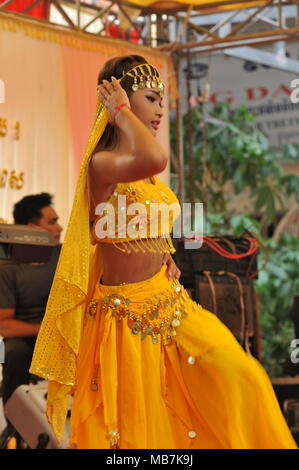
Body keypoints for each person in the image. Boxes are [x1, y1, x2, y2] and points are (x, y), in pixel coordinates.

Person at [30, 56, 298, 449]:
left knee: (241, 375)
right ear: (119, 98)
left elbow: (137, 221)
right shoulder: (103, 165)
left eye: (162, 102)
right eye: (152, 98)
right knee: (147, 430)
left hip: (171, 303)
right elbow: (154, 156)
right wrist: (118, 110)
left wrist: (161, 251)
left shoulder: (146, 172)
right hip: (127, 318)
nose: (159, 111)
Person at [0, 193, 62, 410]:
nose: (59, 228)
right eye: (52, 222)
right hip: (29, 337)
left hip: (66, 334)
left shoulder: (65, 257)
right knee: (14, 352)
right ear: (31, 228)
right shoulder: (7, 268)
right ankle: (16, 422)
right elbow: (5, 326)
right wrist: (46, 329)